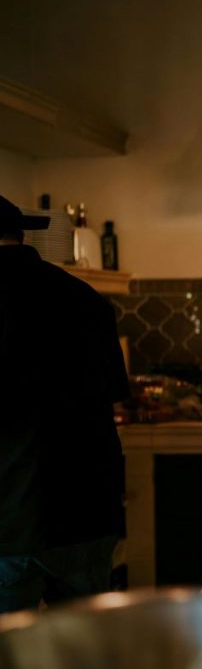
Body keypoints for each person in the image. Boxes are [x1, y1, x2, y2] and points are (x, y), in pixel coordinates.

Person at [0, 194, 129, 613]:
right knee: (84, 654)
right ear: (21, 235)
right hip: (88, 516)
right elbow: (111, 398)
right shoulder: (87, 299)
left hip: (9, 522)